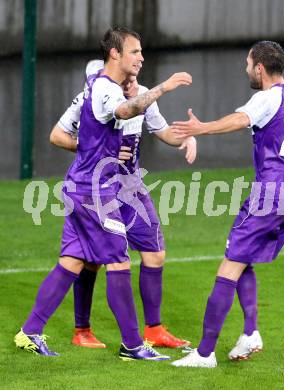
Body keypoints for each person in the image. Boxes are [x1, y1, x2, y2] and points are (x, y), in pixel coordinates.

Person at [14, 27, 192, 361]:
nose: (141, 57)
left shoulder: (112, 88)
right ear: (115, 54)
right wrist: (164, 87)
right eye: (135, 52)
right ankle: (132, 345)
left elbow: (133, 119)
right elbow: (124, 112)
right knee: (119, 261)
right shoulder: (104, 89)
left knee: (71, 262)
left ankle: (30, 331)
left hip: (86, 186)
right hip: (96, 191)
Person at [170, 41, 284, 368]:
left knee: (229, 266)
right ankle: (250, 333)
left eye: (248, 64)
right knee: (243, 257)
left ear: (259, 67)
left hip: (269, 197)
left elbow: (239, 119)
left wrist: (201, 128)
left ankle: (204, 353)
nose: (246, 69)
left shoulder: (266, 97)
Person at [49, 60, 196, 349]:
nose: (131, 78)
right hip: (100, 190)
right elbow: (56, 135)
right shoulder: (90, 98)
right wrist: (89, 145)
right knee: (92, 261)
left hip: (130, 188)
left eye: (134, 74)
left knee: (155, 254)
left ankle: (153, 329)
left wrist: (189, 137)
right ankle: (82, 330)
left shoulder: (142, 95)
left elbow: (163, 131)